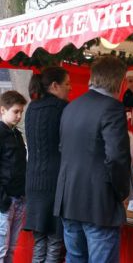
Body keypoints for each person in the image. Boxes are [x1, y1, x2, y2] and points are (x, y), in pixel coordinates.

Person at [54, 55, 131, 263]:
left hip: (68, 199)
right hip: (99, 203)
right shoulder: (113, 108)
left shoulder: (70, 106)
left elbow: (62, 149)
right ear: (120, 81)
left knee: (75, 258)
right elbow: (116, 157)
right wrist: (123, 192)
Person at [24, 67, 71, 263]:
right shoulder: (62, 108)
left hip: (33, 181)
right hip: (55, 182)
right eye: (67, 84)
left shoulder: (31, 107)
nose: (70, 88)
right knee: (54, 244)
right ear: (54, 85)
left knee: (40, 242)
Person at [0, 90, 27, 263]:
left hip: (20, 199)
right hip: (4, 201)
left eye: (21, 112)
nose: (19, 116)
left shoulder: (16, 134)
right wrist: (2, 199)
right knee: (1, 250)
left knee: (11, 249)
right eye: (15, 111)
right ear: (2, 110)